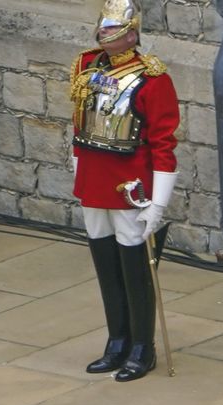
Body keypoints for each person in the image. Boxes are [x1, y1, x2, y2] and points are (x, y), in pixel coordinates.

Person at [70, 0, 179, 383]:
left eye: (113, 30)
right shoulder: (86, 66)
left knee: (135, 264)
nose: (104, 36)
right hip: (93, 178)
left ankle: (141, 347)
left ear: (132, 34)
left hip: (129, 184)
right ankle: (117, 340)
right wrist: (78, 172)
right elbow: (79, 125)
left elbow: (163, 145)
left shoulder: (153, 79)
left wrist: (158, 203)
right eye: (102, 29)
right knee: (104, 258)